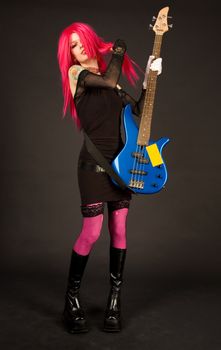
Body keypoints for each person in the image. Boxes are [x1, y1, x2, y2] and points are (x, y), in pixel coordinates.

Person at [57, 22, 162, 334]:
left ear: (90, 40)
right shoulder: (78, 75)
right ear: (71, 55)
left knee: (119, 230)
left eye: (81, 42)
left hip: (120, 167)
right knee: (91, 232)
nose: (80, 49)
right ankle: (71, 300)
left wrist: (149, 80)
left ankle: (114, 301)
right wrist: (119, 49)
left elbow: (140, 111)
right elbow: (109, 76)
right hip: (92, 165)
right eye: (73, 46)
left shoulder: (113, 86)